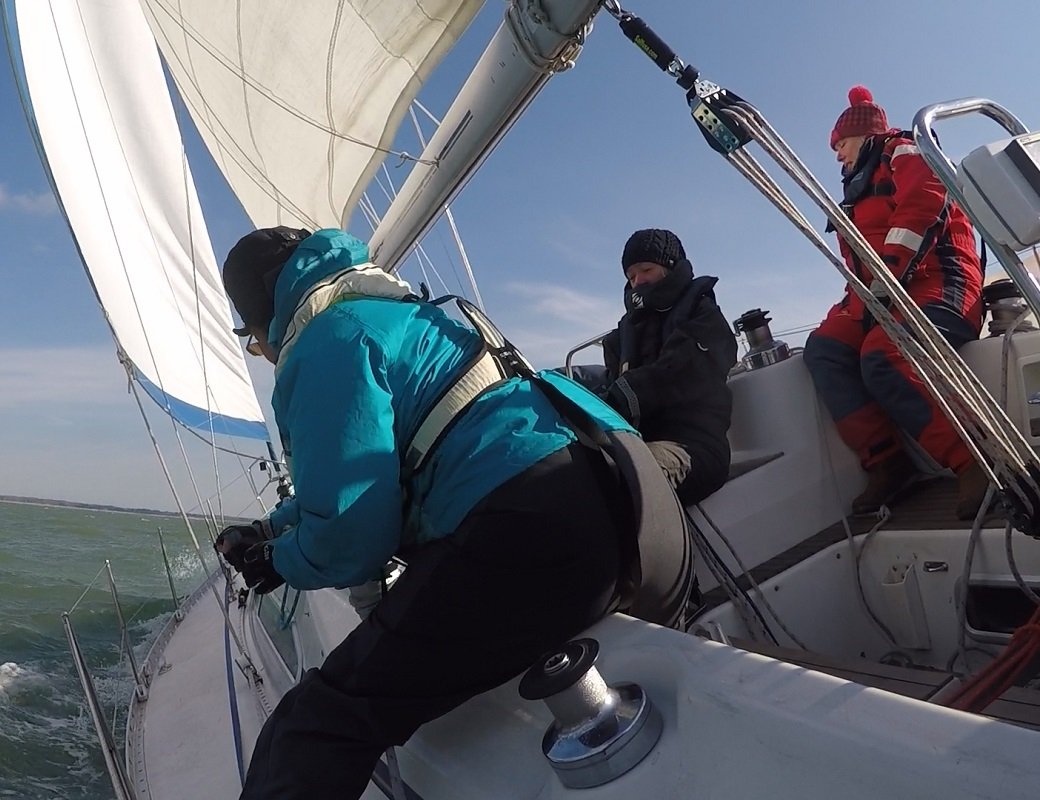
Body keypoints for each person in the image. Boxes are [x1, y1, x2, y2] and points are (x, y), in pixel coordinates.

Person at [214, 226, 691, 799]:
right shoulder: (395, 316)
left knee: (314, 724)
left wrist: (280, 563)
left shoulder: (325, 341)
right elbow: (368, 472)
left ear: (267, 309)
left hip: (529, 534)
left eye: (252, 337)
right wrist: (272, 533)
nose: (261, 352)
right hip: (619, 513)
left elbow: (349, 536)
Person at [802, 86, 988, 519]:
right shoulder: (856, 194)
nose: (837, 155)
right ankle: (888, 463)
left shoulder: (904, 151)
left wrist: (889, 274)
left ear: (864, 135)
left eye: (840, 144)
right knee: (825, 349)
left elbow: (923, 201)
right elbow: (861, 274)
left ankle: (972, 462)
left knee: (883, 354)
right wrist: (850, 311)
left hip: (943, 286)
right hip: (889, 296)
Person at [573, 228, 737, 506]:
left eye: (645, 269)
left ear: (670, 267)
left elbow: (676, 374)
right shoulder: (622, 336)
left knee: (620, 484)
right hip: (638, 444)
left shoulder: (703, 315)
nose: (638, 282)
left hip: (693, 448)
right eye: (630, 276)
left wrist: (619, 397)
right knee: (572, 480)